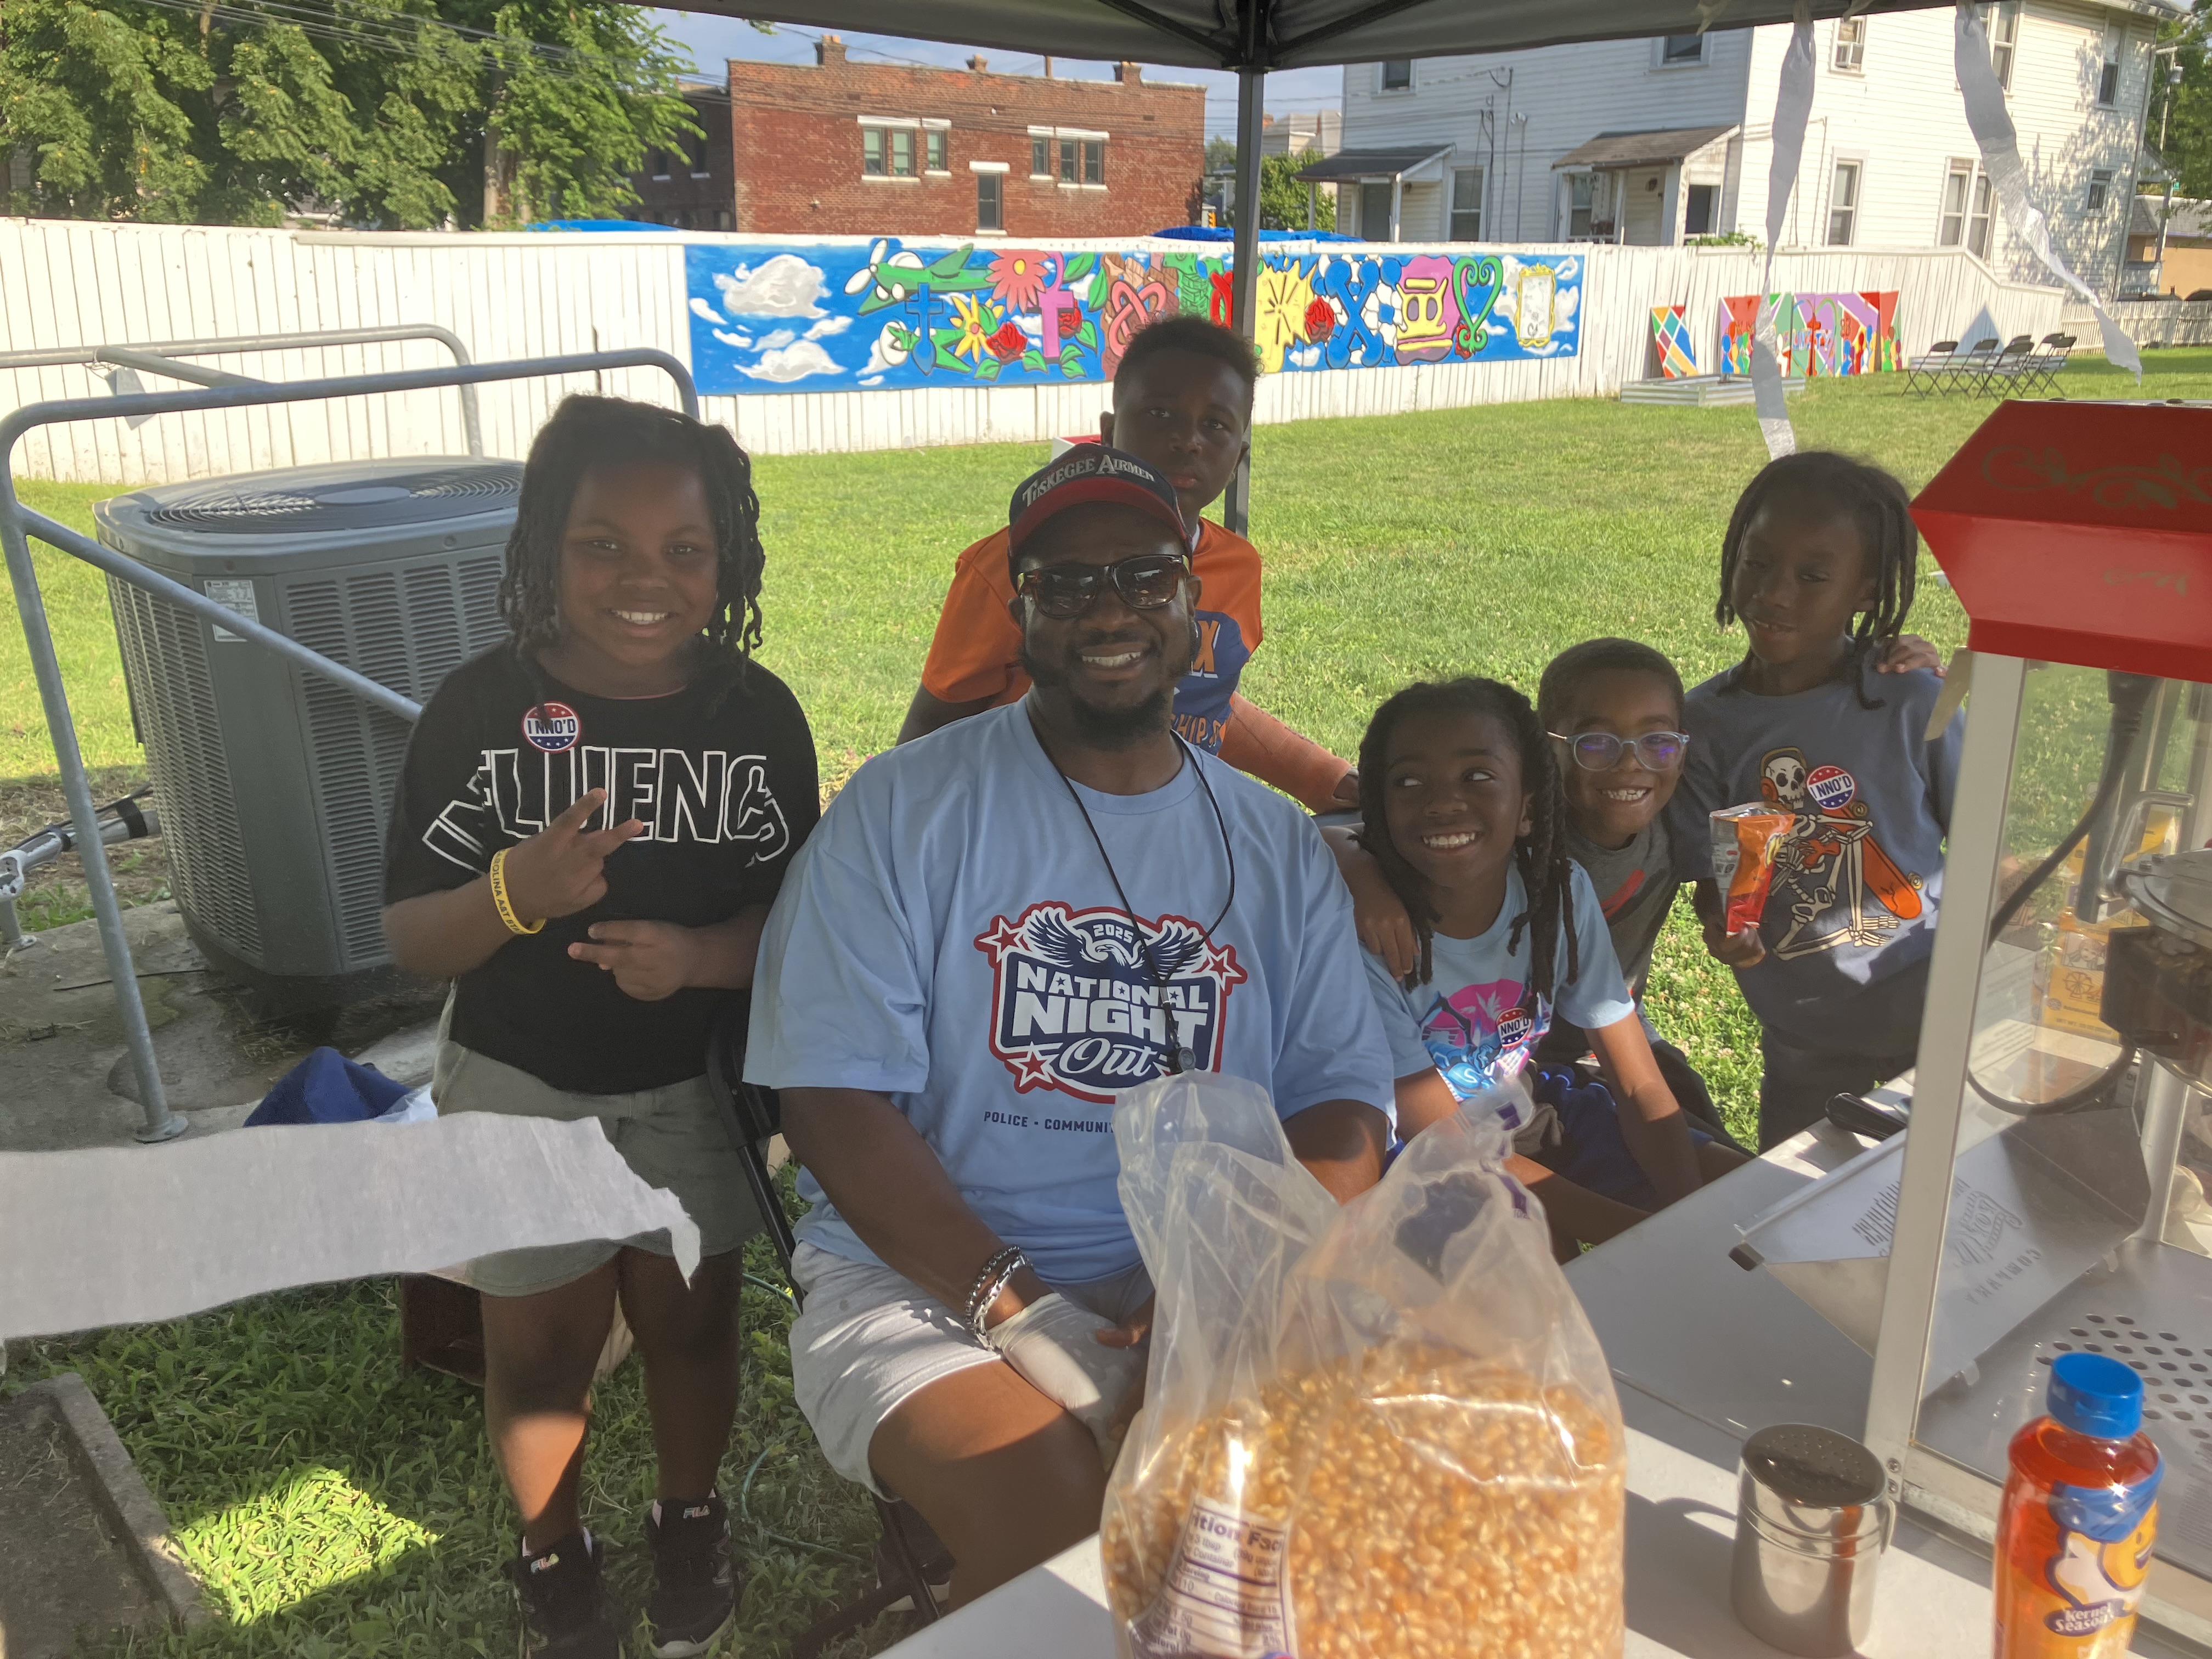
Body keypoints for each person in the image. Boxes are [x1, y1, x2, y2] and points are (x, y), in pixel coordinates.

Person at [746, 445, 1392, 1607]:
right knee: (1092, 1564)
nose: (1112, 610)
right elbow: (829, 1100)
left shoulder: (1276, 843)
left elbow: (1342, 1104)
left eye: (1145, 577)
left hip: (1217, 1274)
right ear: (1017, 607)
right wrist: (1021, 1305)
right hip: (927, 1284)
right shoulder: (902, 810)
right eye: (1067, 582)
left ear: (1196, 606)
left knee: (1360, 1522)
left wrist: (1222, 1284)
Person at [381, 396, 820, 1659]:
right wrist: (518, 892)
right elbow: (414, 939)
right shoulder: (480, 712)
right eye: (602, 544)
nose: (645, 580)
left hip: (695, 1088)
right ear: (541, 550)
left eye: (685, 549)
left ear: (726, 559)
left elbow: (794, 931)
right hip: (522, 1080)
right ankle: (553, 1557)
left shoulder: (757, 718)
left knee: (689, 1320)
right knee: (541, 1343)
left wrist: (696, 958)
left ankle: (690, 1520)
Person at [1340, 677, 1748, 1261]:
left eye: (1477, 776)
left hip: (1523, 1109)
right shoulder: (1367, 933)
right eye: (1408, 782)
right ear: (1379, 807)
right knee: (1542, 1253)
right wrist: (1649, 1239)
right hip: (1415, 1157)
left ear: (1528, 807)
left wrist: (1688, 1213)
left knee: (1743, 1186)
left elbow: (1636, 1083)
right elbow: (1442, 1143)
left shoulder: (1555, 891)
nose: (1442, 801)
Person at [897, 313, 1357, 811]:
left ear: (1240, 454)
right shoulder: (1014, 565)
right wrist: (904, 818)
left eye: (1215, 424)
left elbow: (1204, 704)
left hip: (1170, 816)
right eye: (1160, 414)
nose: (1188, 441)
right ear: (1110, 431)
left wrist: (1321, 778)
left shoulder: (1238, 567)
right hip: (1022, 818)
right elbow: (935, 722)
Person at [1666, 451, 1961, 1150]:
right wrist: (1723, 928)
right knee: (1797, 1225)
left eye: (1813, 576)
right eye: (1758, 562)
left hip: (1939, 1020)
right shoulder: (1704, 724)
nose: (1775, 593)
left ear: (1867, 589)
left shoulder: (1908, 697)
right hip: (1806, 1044)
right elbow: (1713, 879)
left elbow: (1986, 830)